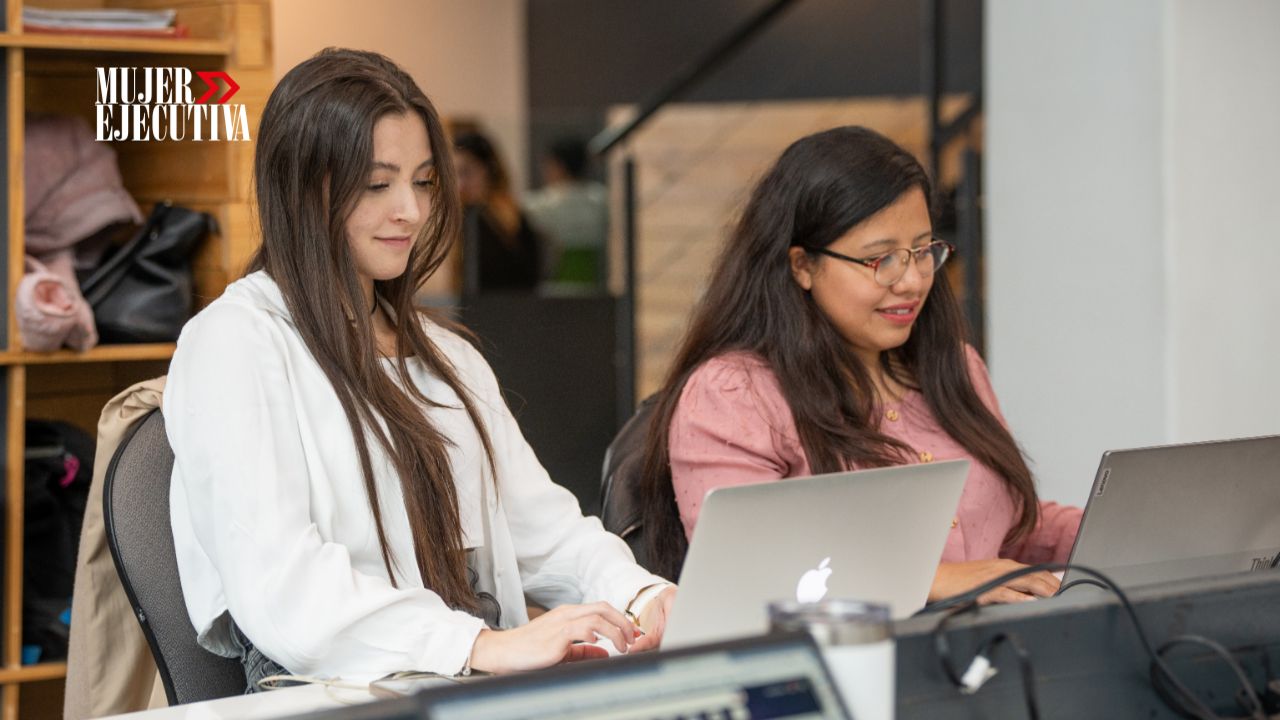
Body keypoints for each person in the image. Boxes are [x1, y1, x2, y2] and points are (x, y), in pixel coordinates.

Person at [163, 49, 674, 689]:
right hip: (340, 689)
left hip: (465, 675)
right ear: (299, 189)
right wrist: (481, 644)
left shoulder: (446, 355)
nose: (410, 208)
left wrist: (640, 596)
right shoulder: (234, 342)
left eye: (425, 181)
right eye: (378, 184)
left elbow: (542, 529)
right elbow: (283, 587)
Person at [638, 126, 1081, 606]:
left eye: (923, 251)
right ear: (802, 266)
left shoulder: (955, 366)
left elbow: (1010, 530)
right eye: (881, 260)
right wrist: (933, 582)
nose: (912, 281)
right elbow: (747, 574)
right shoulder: (735, 396)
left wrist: (1114, 532)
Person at [453, 131, 542, 292]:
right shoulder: (461, 217)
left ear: (489, 170)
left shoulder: (507, 217)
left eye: (466, 172)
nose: (460, 184)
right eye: (454, 174)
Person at [524, 137, 609, 287]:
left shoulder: (543, 204)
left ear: (559, 165)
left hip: (556, 284)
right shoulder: (602, 198)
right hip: (598, 284)